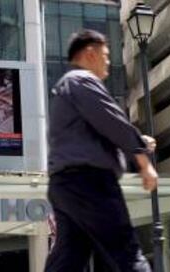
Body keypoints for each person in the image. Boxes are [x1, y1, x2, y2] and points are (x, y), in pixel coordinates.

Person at [45, 29, 157, 272]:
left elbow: (96, 133)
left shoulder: (66, 89)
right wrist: (144, 163)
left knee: (67, 259)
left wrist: (138, 141)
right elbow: (113, 121)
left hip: (65, 186)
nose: (108, 60)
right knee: (126, 253)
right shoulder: (81, 80)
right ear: (90, 53)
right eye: (105, 55)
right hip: (91, 183)